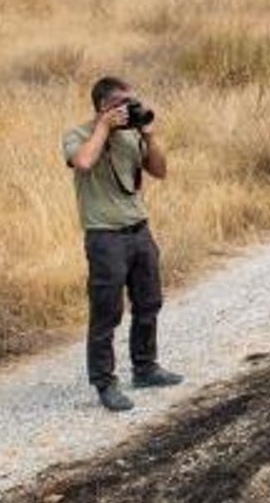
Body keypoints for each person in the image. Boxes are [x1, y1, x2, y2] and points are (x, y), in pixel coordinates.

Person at [63, 76, 183, 412]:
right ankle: (104, 382)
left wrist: (148, 134)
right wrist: (103, 128)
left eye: (132, 101)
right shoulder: (78, 136)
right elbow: (84, 162)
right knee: (107, 312)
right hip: (105, 236)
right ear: (103, 106)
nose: (129, 107)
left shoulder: (132, 136)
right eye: (121, 103)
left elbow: (160, 171)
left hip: (139, 230)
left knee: (149, 302)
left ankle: (145, 368)